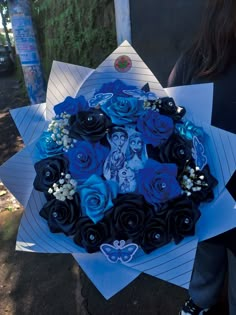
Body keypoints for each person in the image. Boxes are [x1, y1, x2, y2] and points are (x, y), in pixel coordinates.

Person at [167, 1, 236, 314]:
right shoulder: (192, 59)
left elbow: (168, 117)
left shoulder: (193, 60)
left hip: (203, 188)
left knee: (206, 251)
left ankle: (199, 302)